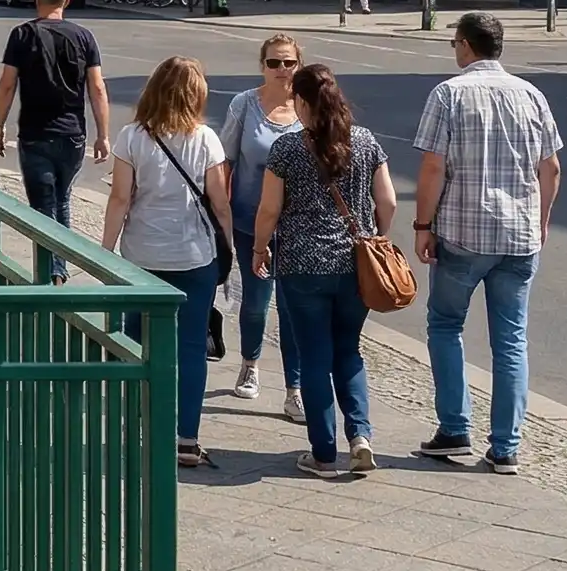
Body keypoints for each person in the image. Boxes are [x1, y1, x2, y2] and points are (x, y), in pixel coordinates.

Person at [413, 12, 562, 475]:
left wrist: (423, 225)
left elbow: (434, 168)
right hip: (519, 238)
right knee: (511, 342)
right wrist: (540, 223)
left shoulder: (449, 94)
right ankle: (505, 448)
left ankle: (455, 429)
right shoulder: (532, 95)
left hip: (463, 235)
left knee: (444, 324)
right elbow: (551, 169)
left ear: (464, 46)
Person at [250, 62, 394, 477]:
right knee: (348, 350)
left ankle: (324, 454)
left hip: (301, 265)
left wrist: (260, 249)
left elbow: (269, 209)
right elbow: (388, 202)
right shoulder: (365, 142)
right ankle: (361, 437)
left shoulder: (288, 148)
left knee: (314, 356)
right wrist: (376, 238)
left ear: (302, 101)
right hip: (354, 264)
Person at [101, 57, 230, 468]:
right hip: (194, 256)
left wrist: (104, 252)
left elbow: (120, 199)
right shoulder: (206, 139)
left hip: (142, 255)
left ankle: (133, 429)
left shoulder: (131, 137)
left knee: (135, 343)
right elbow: (220, 203)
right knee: (191, 347)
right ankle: (186, 440)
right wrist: (231, 249)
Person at [0, 0, 111, 280]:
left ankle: (51, 275)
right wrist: (103, 136)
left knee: (43, 207)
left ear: (36, 0)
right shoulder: (84, 37)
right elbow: (97, 89)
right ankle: (58, 270)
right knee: (62, 200)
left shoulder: (22, 35)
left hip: (35, 134)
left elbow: (7, 85)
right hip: (72, 136)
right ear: (67, 1)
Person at [219, 36, 304, 418]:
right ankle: (250, 364)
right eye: (274, 63)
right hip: (251, 221)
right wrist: (219, 210)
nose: (282, 70)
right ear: (262, 66)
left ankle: (294, 387)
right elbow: (225, 161)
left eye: (288, 63)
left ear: (299, 64)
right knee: (256, 302)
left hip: (301, 227)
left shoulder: (309, 106)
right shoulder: (245, 104)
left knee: (294, 308)